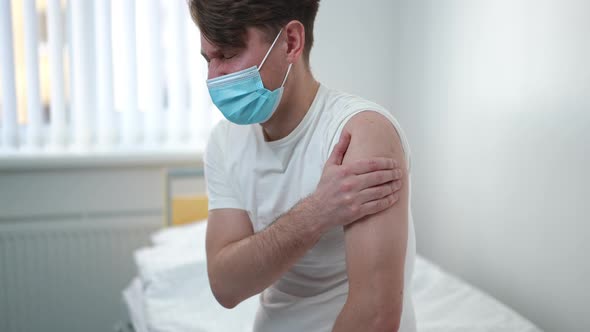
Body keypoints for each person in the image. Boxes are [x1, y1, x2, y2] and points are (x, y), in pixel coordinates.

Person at [189, 1, 416, 331]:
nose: (214, 77)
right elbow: (226, 285)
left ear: (291, 42)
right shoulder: (225, 142)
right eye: (208, 60)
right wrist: (318, 212)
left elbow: (376, 317)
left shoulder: (360, 132)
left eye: (226, 54)